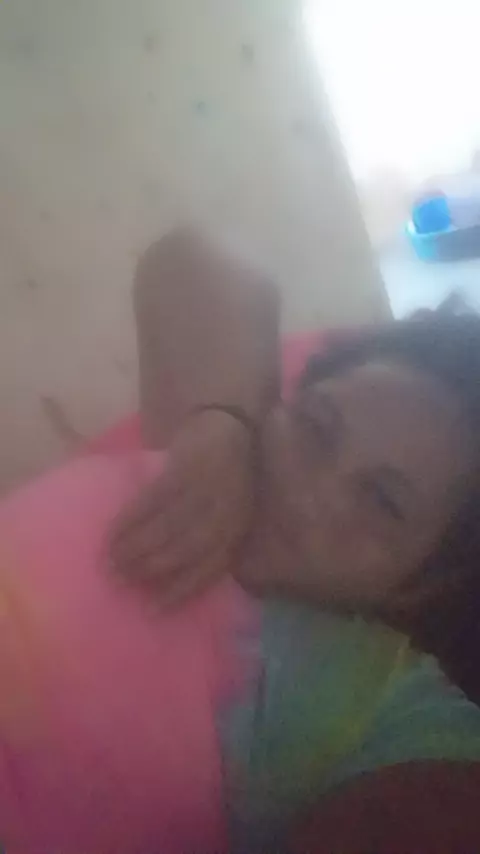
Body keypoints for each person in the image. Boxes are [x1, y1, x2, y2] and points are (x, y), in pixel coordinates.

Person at [112, 228, 480, 850]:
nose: (310, 492)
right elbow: (200, 260)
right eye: (316, 427)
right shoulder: (196, 484)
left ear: (423, 582)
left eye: (382, 502)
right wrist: (223, 420)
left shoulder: (379, 708)